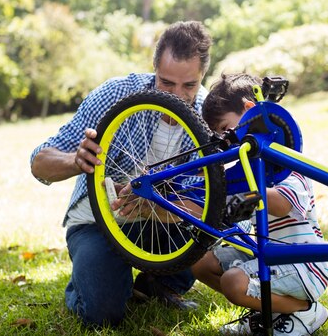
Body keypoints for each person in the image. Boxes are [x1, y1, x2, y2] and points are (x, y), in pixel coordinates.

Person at [30, 21, 213, 327]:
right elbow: (40, 161)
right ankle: (87, 286)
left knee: (209, 226)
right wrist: (77, 161)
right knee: (103, 313)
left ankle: (157, 285)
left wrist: (154, 206)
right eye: (166, 83)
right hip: (97, 223)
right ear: (154, 68)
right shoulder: (117, 94)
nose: (178, 97)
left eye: (189, 86)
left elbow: (206, 204)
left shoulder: (209, 114)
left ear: (202, 76)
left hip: (163, 222)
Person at [193, 73, 328, 336]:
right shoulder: (246, 171)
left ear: (249, 111)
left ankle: (303, 310)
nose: (225, 141)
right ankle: (268, 310)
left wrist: (245, 189)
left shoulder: (288, 164)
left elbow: (281, 205)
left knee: (233, 283)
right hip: (266, 254)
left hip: (305, 265)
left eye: (226, 129)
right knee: (201, 262)